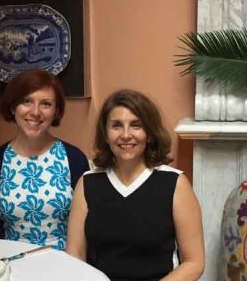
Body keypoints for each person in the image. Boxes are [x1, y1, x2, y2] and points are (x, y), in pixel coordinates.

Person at [66, 89, 204, 280]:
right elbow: (75, 258)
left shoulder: (175, 184)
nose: (126, 135)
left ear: (149, 133)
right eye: (116, 126)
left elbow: (194, 262)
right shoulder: (87, 184)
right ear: (105, 134)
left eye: (136, 125)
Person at [0, 69, 89, 250]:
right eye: (26, 101)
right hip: (13, 267)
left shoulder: (74, 159)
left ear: (56, 111)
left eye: (45, 104)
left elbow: (86, 231)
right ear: (13, 107)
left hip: (65, 266)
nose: (35, 112)